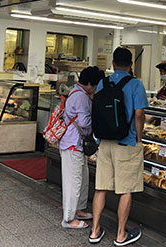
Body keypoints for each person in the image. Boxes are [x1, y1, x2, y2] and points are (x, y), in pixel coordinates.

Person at [90, 47, 147, 246]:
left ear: (113, 63)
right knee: (126, 190)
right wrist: (138, 138)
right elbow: (139, 114)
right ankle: (121, 235)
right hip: (126, 142)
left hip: (104, 142)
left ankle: (95, 231)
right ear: (131, 65)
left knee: (101, 187)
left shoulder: (102, 83)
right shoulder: (136, 84)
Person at [59, 66, 104, 229]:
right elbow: (84, 122)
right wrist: (100, 122)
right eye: (96, 85)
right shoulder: (82, 97)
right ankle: (68, 219)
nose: (97, 88)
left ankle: (78, 210)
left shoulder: (76, 92)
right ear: (90, 83)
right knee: (74, 182)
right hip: (73, 144)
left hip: (74, 143)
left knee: (82, 178)